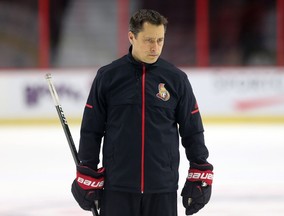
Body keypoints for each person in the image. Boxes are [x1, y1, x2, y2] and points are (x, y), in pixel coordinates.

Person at [71, 9, 214, 216]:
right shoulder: (108, 77)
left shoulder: (176, 80)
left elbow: (192, 131)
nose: (155, 47)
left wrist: (200, 170)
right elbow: (91, 130)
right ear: (131, 37)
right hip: (117, 188)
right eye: (148, 40)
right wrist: (87, 170)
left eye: (160, 40)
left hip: (162, 189)